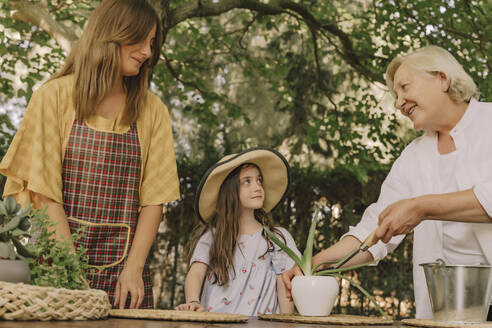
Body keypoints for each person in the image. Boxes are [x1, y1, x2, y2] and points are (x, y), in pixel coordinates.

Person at [282, 45, 492, 319]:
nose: (398, 102)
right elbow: (375, 229)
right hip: (444, 311)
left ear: (442, 79)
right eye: (395, 95)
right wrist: (316, 262)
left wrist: (421, 207)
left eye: (405, 86)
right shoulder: (414, 156)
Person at [0, 0, 180, 309]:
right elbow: (45, 195)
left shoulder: (153, 110)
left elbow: (154, 200)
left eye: (152, 43)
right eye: (140, 40)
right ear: (111, 34)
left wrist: (134, 269)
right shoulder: (53, 96)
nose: (148, 52)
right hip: (57, 268)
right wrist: (70, 271)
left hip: (126, 277)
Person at [175, 148, 300, 316]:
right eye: (247, 181)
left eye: (259, 180)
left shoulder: (277, 238)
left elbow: (285, 284)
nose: (258, 187)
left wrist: (287, 323)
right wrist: (192, 302)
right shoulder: (214, 236)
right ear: (230, 191)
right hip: (216, 324)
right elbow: (196, 272)